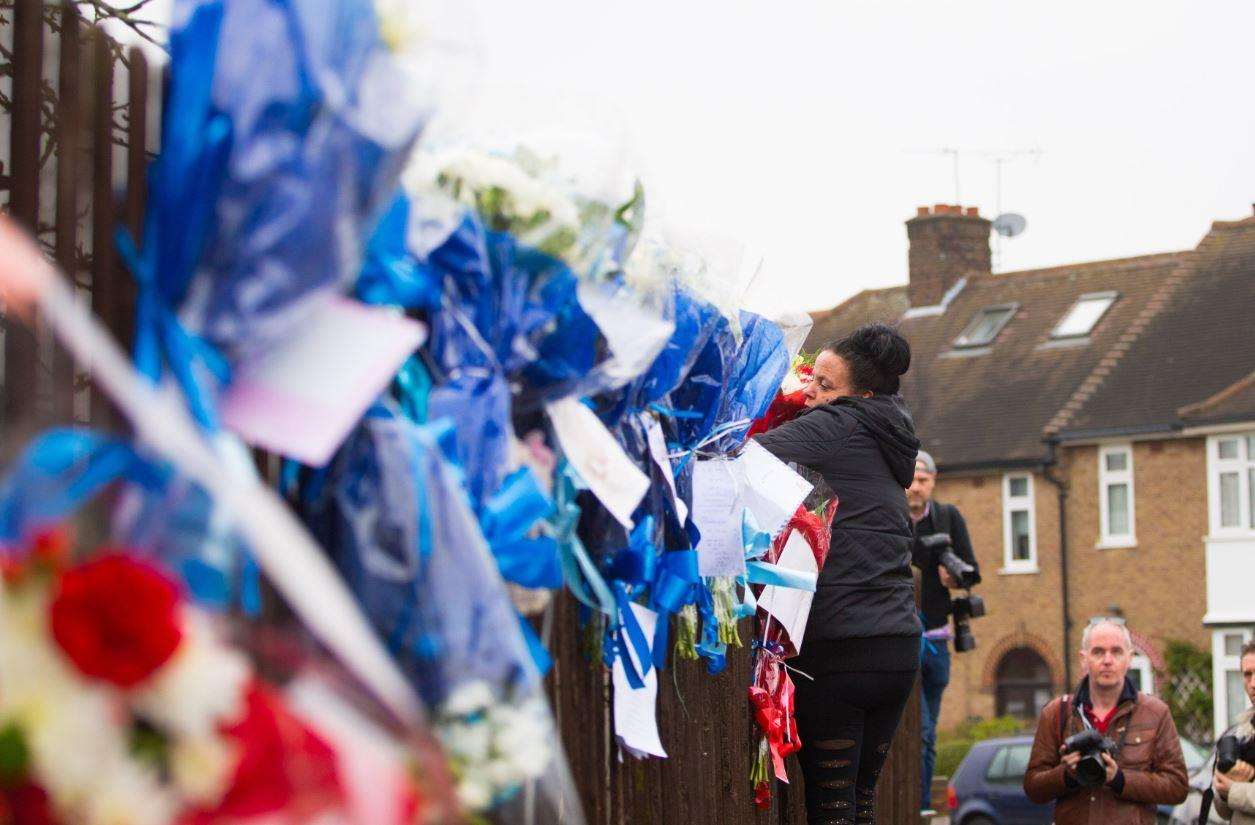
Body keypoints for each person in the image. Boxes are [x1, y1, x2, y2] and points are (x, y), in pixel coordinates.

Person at [754, 323, 922, 824]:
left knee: (832, 814)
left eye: (824, 385)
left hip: (843, 648)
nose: (809, 391)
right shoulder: (890, 435)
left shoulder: (843, 423)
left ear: (862, 394)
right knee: (860, 806)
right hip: (897, 647)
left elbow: (741, 456)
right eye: (810, 377)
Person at [1023, 619, 1189, 824]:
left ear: (1129, 658)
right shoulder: (1058, 713)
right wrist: (1066, 775)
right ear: (1084, 659)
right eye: (1098, 652)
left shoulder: (1155, 713)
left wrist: (1119, 779)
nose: (1107, 660)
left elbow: (1177, 787)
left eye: (1116, 651)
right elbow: (1033, 788)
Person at [907, 450, 980, 815]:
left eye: (924, 480)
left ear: (933, 482)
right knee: (915, 731)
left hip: (937, 638)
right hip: (901, 638)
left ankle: (922, 808)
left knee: (929, 732)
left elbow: (972, 571)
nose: (917, 487)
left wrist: (954, 575)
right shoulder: (891, 517)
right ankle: (914, 806)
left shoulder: (948, 517)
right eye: (912, 479)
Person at [1213, 640, 1255, 823]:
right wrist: (1223, 788)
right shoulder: (1242, 731)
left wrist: (1234, 789)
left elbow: (1234, 793)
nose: (1253, 683)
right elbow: (1225, 812)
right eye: (1247, 674)